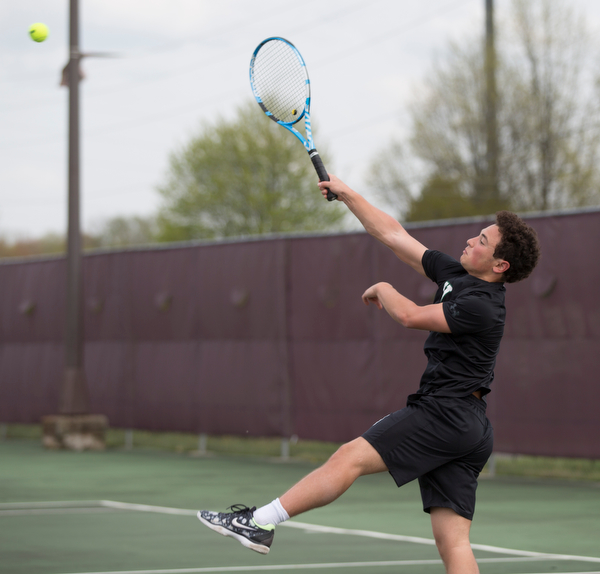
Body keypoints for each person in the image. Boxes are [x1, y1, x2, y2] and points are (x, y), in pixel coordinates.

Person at [198, 175, 541, 574]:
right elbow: (394, 235)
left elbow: (411, 316)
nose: (470, 240)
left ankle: (259, 522)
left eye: (482, 240)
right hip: (469, 428)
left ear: (501, 265)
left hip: (445, 414)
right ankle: (259, 523)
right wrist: (347, 195)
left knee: (350, 457)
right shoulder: (457, 276)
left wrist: (383, 287)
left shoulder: (484, 306)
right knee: (453, 542)